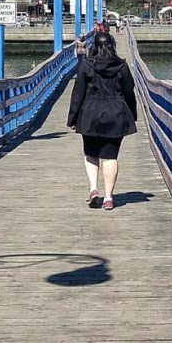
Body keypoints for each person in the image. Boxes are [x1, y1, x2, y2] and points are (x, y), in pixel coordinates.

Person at [66, 31, 137, 210]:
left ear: (94, 46)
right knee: (110, 156)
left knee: (91, 153)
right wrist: (133, 114)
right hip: (116, 114)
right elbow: (129, 92)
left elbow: (78, 93)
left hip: (90, 113)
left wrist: (72, 117)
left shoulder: (87, 65)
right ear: (112, 45)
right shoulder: (122, 66)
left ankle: (93, 189)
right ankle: (108, 198)